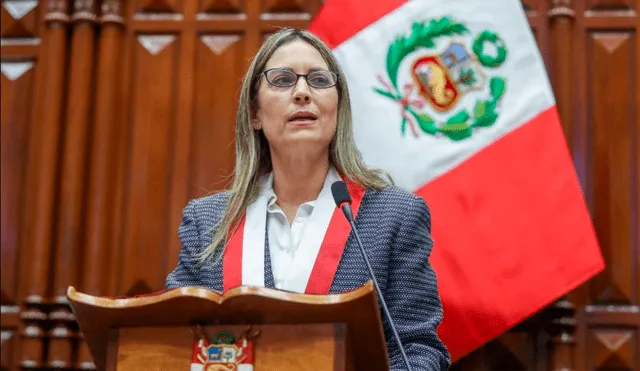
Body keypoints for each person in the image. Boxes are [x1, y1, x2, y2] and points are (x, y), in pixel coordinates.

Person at [166, 28, 450, 370]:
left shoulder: (394, 216)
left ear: (337, 108)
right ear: (254, 113)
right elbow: (174, 343)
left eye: (318, 80)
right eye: (282, 80)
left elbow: (418, 350)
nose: (302, 92)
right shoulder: (207, 221)